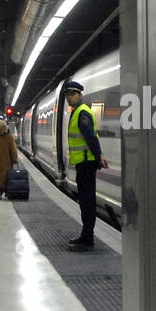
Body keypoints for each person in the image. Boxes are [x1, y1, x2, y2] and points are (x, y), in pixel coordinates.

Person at [63, 81, 107, 251]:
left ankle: (87, 238)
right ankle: (86, 235)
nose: (69, 96)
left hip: (87, 163)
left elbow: (91, 138)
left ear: (80, 95)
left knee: (87, 201)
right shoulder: (77, 112)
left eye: (73, 93)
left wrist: (98, 158)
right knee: (85, 200)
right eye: (67, 94)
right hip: (83, 163)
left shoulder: (82, 113)